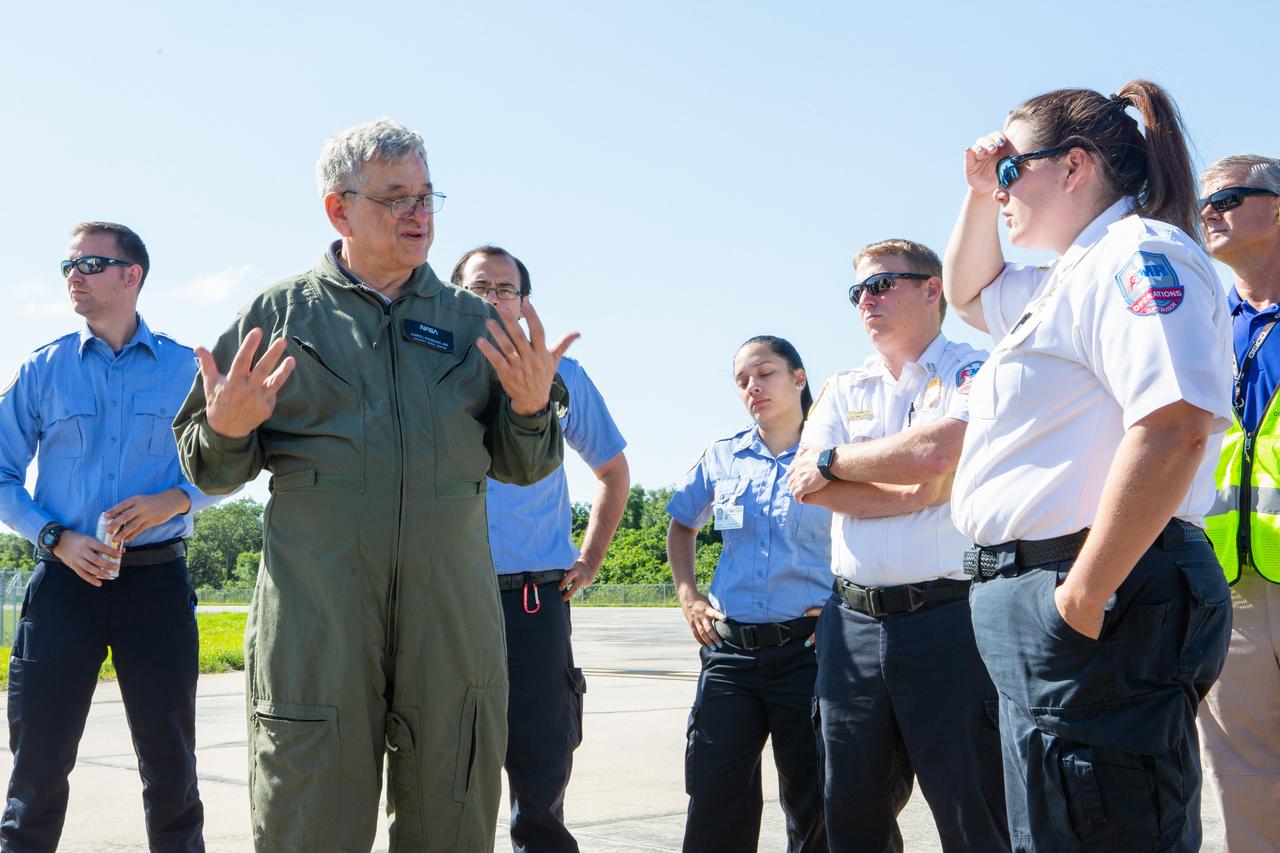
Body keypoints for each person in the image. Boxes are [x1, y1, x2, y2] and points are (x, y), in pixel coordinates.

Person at [172, 119, 575, 852]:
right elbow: (209, 469)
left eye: (427, 196)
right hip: (319, 621)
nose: (419, 214)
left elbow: (523, 465)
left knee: (452, 820)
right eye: (396, 197)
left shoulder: (474, 323)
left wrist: (528, 408)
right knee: (308, 821)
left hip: (450, 620)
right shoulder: (278, 318)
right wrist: (228, 428)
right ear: (339, 209)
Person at [943, 81, 1233, 851]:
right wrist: (982, 193)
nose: (1000, 182)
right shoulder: (1067, 275)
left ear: (1074, 166)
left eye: (1013, 167)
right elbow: (967, 293)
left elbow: (1174, 426)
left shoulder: (1137, 254)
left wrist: (1084, 592)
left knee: (1103, 828)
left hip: (1100, 597)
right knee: (1052, 830)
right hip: (1058, 597)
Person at [0, 222, 216, 852]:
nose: (75, 275)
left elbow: (233, 459)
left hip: (155, 584)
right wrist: (54, 536)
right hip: (64, 584)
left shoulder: (186, 368)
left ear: (132, 275)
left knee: (171, 769)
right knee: (36, 766)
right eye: (67, 265)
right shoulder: (42, 370)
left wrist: (173, 500)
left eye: (91, 263)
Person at [788, 239, 1008, 852]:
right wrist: (908, 489)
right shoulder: (842, 386)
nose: (867, 301)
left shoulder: (974, 369)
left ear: (932, 289)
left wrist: (838, 463)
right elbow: (808, 487)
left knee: (974, 810)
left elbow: (937, 458)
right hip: (851, 627)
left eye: (882, 285)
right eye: (858, 291)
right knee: (850, 814)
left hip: (947, 621)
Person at [451, 245, 629, 853]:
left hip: (532, 599)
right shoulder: (435, 375)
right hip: (450, 594)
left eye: (506, 288)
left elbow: (613, 471)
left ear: (526, 302)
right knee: (448, 766)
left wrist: (591, 558)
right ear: (453, 297)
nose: (494, 298)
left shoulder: (562, 379)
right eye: (480, 288)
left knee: (541, 764)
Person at [666, 335, 830, 853]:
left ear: (798, 378)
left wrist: (842, 610)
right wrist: (689, 595)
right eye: (741, 381)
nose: (752, 387)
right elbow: (681, 526)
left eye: (765, 373)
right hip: (731, 655)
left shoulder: (831, 453)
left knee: (815, 805)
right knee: (716, 800)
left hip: (808, 653)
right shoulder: (723, 457)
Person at [1197, 154, 1280, 850]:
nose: (1209, 213)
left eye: (1227, 197)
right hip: (1234, 592)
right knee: (1244, 782)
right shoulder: (1196, 326)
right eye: (1204, 204)